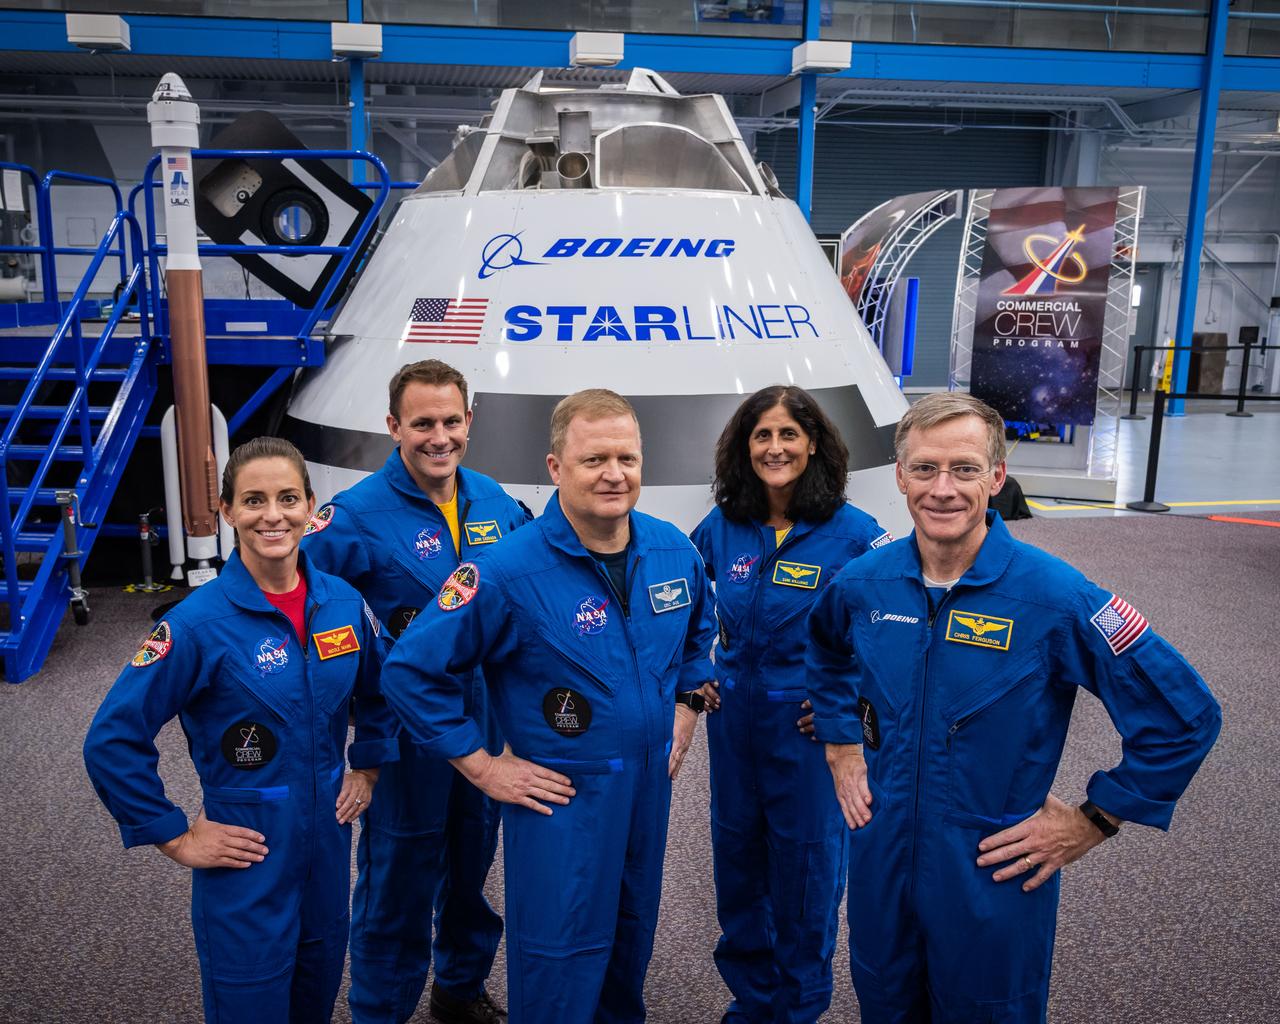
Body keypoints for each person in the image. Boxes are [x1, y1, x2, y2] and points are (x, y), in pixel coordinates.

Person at [806, 392, 1222, 1024]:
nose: (942, 489)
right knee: (885, 1005)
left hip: (992, 873)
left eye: (965, 469)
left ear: (997, 477)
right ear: (900, 475)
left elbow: (1184, 715)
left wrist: (1096, 818)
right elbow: (827, 652)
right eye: (924, 469)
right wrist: (841, 746)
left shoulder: (1056, 596)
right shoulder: (862, 584)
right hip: (880, 861)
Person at [378, 389, 717, 1024]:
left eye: (627, 458)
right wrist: (481, 767)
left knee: (628, 946)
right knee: (559, 963)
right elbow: (410, 670)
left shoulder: (673, 550)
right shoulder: (503, 571)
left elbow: (699, 633)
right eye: (593, 460)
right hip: (561, 798)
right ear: (556, 468)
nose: (614, 474)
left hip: (648, 788)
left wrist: (688, 705)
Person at [83, 437, 398, 1022]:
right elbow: (112, 739)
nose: (272, 515)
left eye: (286, 498)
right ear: (227, 511)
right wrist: (174, 835)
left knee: (316, 995)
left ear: (310, 505)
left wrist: (368, 765)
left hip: (328, 845)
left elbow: (383, 689)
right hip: (245, 855)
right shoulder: (197, 625)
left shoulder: (344, 604)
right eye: (253, 500)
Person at [302, 359, 531, 1024]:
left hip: (483, 722)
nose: (439, 436)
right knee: (398, 880)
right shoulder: (352, 517)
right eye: (422, 422)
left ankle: (459, 988)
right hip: (403, 735)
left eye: (451, 421)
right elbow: (290, 596)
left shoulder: (496, 504)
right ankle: (381, 1010)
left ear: (469, 422)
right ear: (393, 426)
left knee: (470, 865)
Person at [690, 385, 892, 1024]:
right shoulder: (722, 527)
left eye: (788, 435)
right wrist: (695, 675)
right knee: (740, 875)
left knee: (805, 883)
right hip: (735, 731)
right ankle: (750, 1007)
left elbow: (894, 630)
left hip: (808, 740)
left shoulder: (856, 536)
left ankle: (798, 1011)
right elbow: (683, 604)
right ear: (743, 448)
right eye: (762, 435)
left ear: (814, 445)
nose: (775, 447)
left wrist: (849, 703)